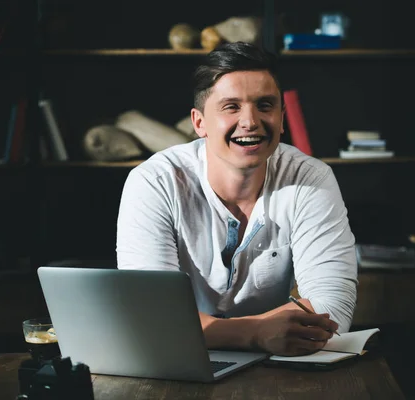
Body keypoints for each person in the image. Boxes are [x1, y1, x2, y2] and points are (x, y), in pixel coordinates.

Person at [116, 41, 357, 356]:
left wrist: (201, 329)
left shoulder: (310, 178)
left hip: (278, 363)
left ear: (282, 119)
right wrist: (256, 332)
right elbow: (151, 318)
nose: (251, 121)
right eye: (231, 106)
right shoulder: (154, 182)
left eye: (265, 105)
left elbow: (333, 311)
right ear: (199, 122)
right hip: (177, 360)